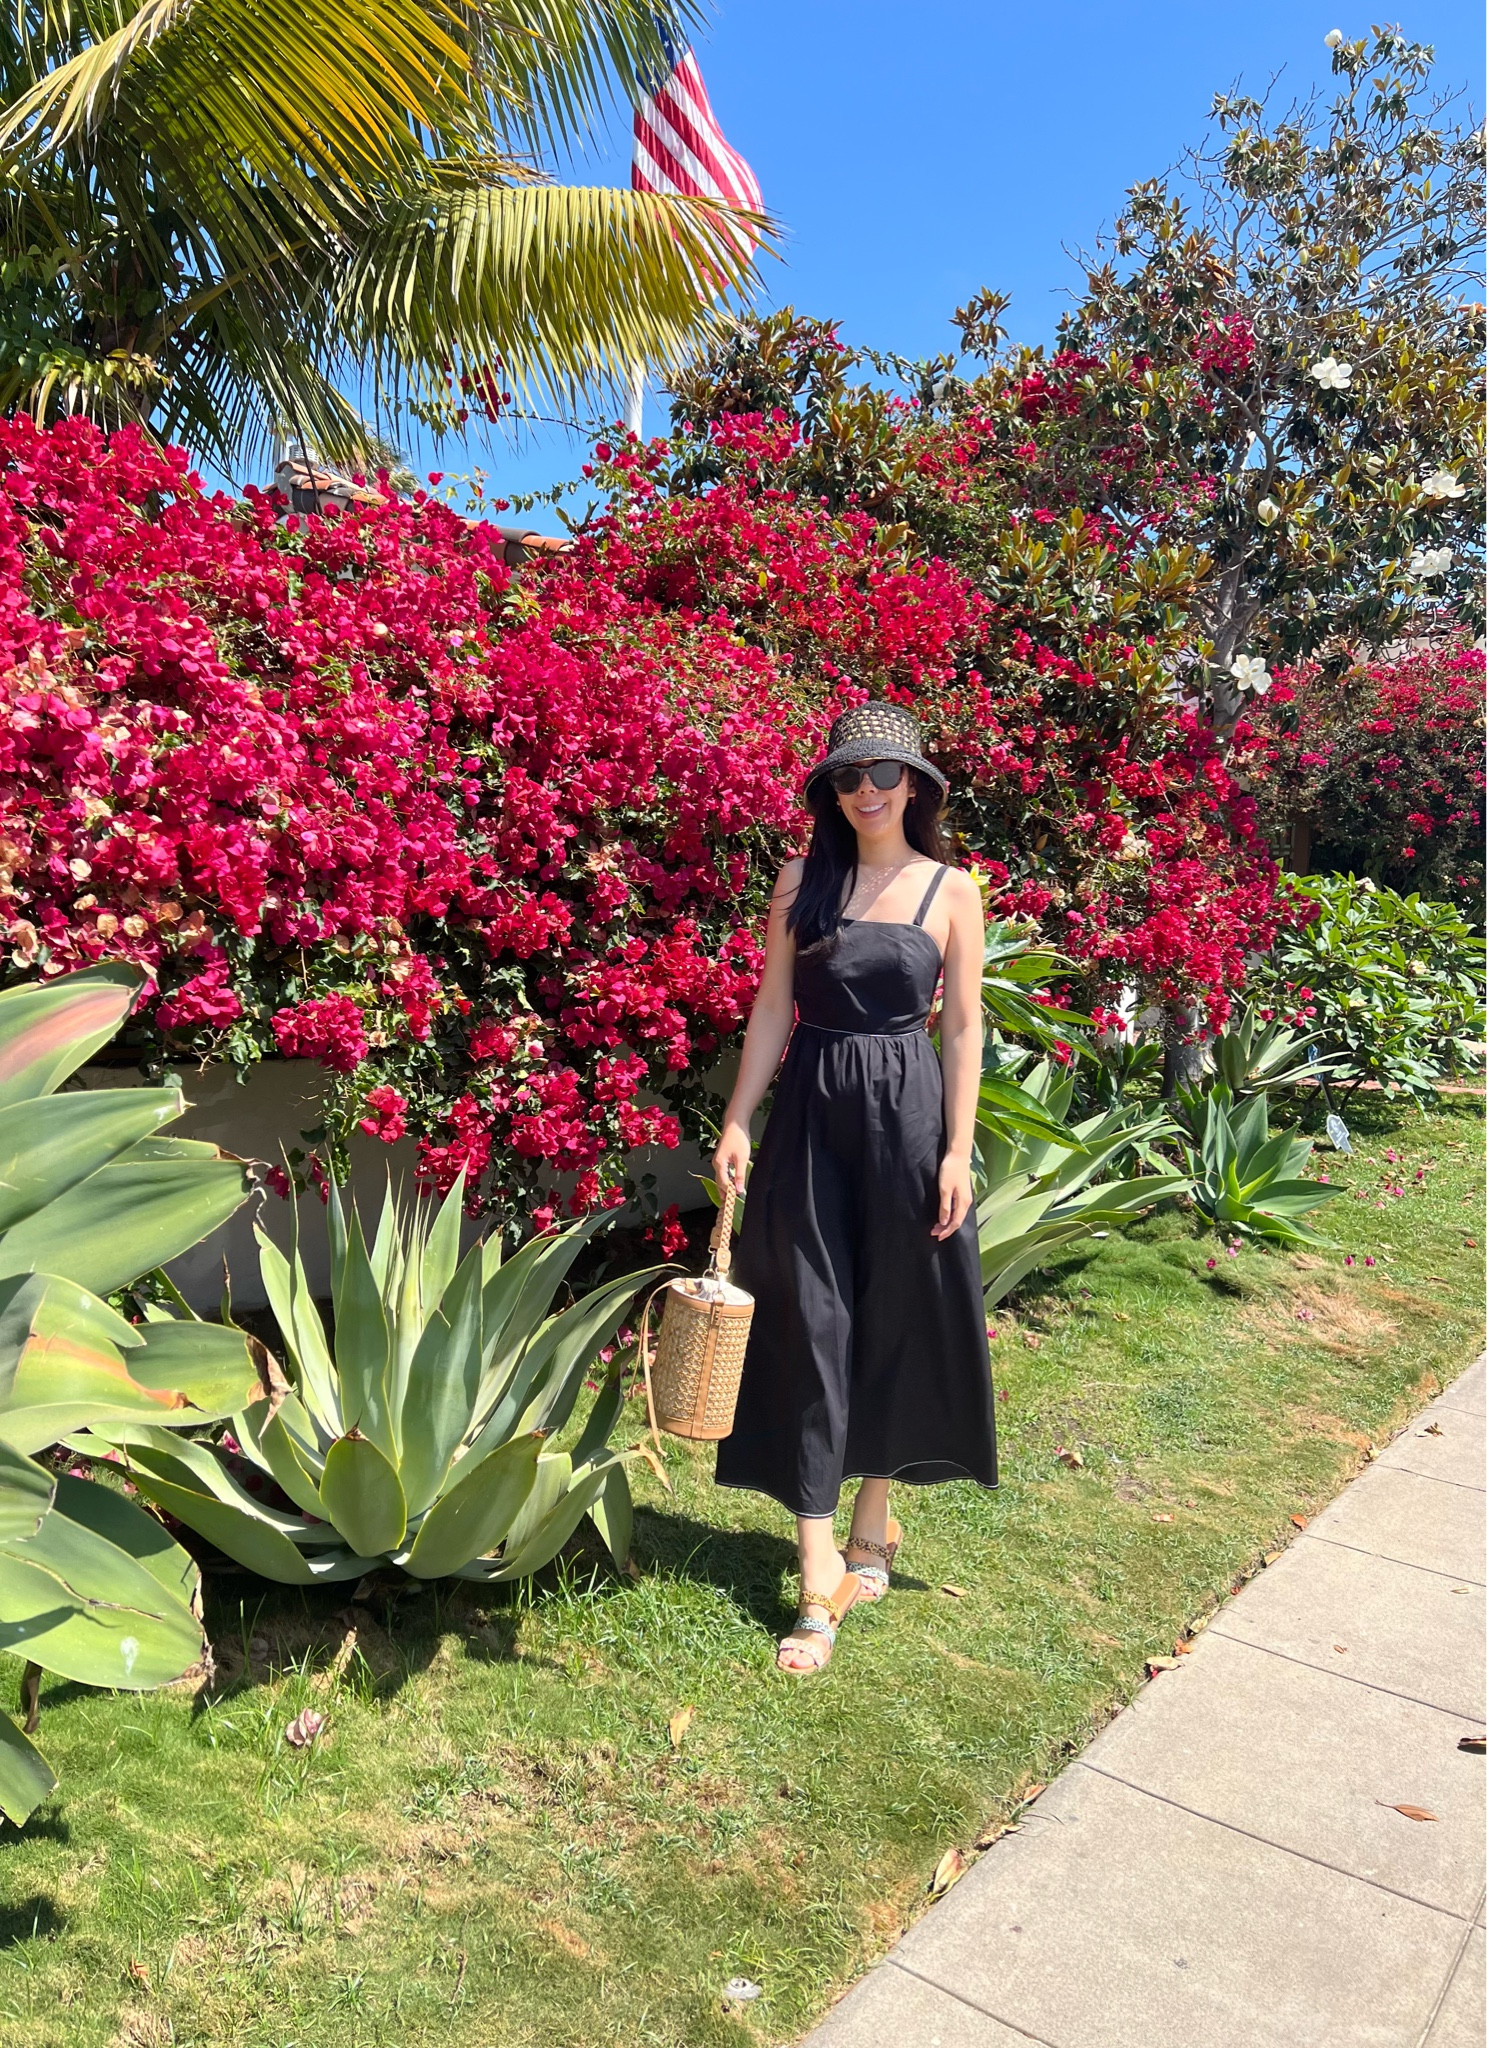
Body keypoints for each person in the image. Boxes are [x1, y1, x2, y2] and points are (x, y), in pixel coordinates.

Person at [712, 702, 998, 1674]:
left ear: (914, 784)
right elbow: (769, 1011)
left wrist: (957, 1148)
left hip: (910, 1116)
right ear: (829, 792)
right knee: (810, 1318)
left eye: (882, 773)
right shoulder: (803, 879)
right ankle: (814, 1568)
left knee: (896, 1309)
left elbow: (960, 1027)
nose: (865, 791)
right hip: (810, 1114)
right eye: (846, 776)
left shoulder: (951, 890)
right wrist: (737, 1118)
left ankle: (873, 1512)